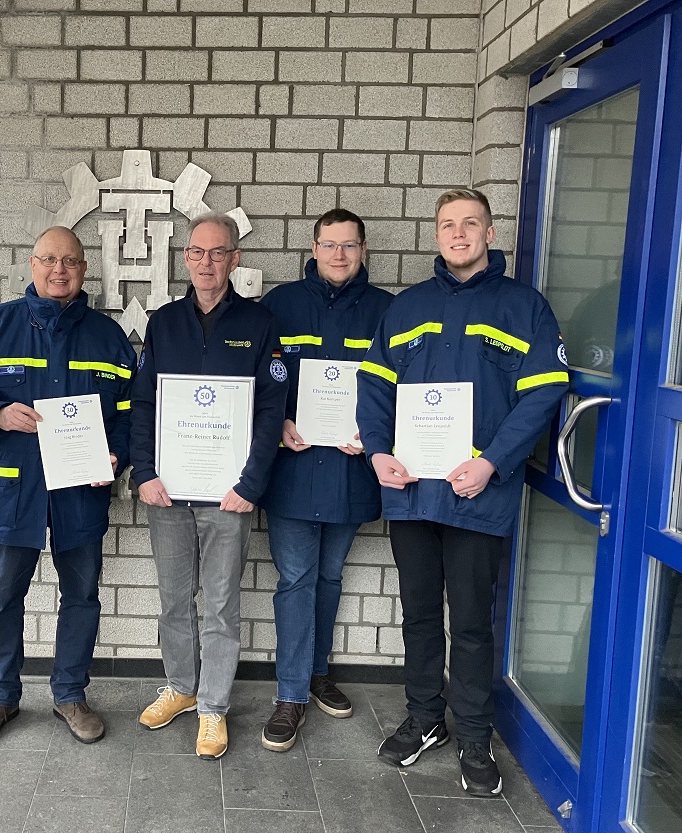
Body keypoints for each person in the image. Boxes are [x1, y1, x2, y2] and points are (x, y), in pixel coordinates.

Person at [356, 189, 569, 797]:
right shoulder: (406, 309)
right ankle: (426, 718)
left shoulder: (524, 308)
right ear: (437, 234)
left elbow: (544, 393)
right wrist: (378, 451)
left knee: (471, 622)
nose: (458, 234)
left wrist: (493, 463)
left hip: (479, 495)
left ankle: (475, 735)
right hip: (413, 493)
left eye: (469, 224)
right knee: (420, 614)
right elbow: (375, 388)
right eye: (448, 225)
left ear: (489, 232)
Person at [0, 226, 135, 747]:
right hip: (14, 492)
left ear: (84, 269)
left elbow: (127, 414)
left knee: (81, 596)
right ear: (31, 266)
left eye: (71, 262)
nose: (60, 270)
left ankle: (70, 694)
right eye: (49, 260)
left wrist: (116, 454)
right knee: (2, 597)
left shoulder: (108, 337)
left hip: (80, 491)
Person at [130, 212, 287, 759]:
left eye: (217, 252)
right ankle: (180, 686)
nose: (205, 262)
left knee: (219, 605)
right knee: (175, 599)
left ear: (234, 259)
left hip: (229, 496)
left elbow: (271, 412)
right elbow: (145, 403)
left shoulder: (261, 323)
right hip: (167, 491)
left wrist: (251, 483)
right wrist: (143, 471)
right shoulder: (164, 323)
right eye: (196, 252)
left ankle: (213, 708)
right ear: (186, 258)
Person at [257, 209, 393, 752]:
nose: (339, 255)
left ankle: (316, 673)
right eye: (329, 244)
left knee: (330, 577)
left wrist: (374, 431)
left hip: (351, 468)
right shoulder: (281, 305)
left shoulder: (387, 310)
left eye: (349, 245)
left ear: (363, 250)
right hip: (292, 467)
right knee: (296, 578)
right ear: (313, 248)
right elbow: (261, 381)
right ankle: (289, 695)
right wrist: (281, 420)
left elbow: (398, 387)